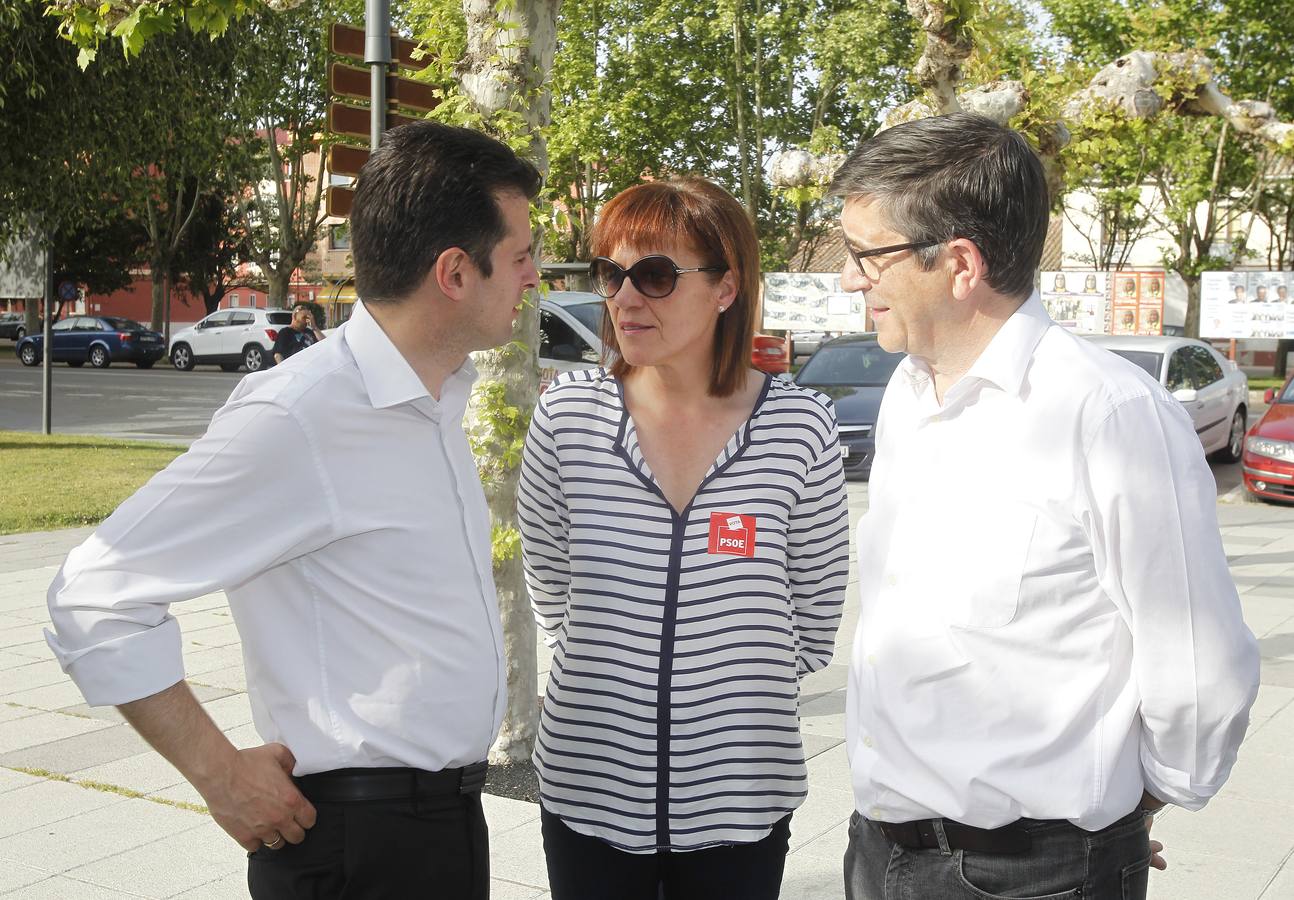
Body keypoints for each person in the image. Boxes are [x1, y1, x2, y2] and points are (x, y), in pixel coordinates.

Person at [45, 121, 542, 899]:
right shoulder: (300, 415)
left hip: (439, 829)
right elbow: (93, 592)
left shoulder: (440, 399)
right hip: (356, 846)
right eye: (521, 256)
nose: (535, 277)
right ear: (454, 272)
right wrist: (220, 775)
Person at [830, 113, 1260, 900]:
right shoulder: (907, 393)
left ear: (959, 264)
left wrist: (1132, 811)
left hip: (1033, 876)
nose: (851, 278)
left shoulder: (1109, 413)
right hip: (879, 850)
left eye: (866, 255)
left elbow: (1200, 665)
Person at [517, 177, 850, 900]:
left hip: (742, 790)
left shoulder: (800, 426)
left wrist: (725, 689)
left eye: (656, 275)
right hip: (590, 781)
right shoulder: (567, 418)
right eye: (610, 274)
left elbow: (815, 613)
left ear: (726, 287)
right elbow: (553, 590)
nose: (625, 298)